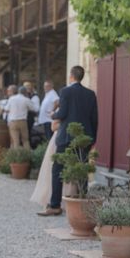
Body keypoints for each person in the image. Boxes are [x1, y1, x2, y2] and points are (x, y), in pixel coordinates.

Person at [38, 65, 98, 216]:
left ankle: (55, 205)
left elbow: (63, 113)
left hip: (66, 137)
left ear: (71, 76)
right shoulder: (90, 94)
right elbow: (94, 119)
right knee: (82, 170)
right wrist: (92, 140)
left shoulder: (65, 91)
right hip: (84, 138)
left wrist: (53, 115)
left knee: (57, 169)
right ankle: (83, 202)